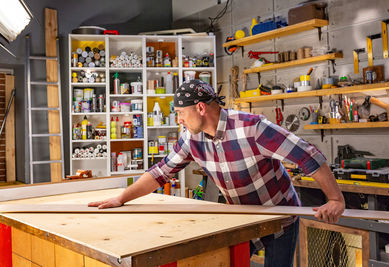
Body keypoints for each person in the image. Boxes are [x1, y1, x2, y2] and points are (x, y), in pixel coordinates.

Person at [89, 79, 345, 267]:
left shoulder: (252, 128)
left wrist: (335, 199)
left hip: (280, 215)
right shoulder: (191, 138)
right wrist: (121, 199)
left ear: (200, 108)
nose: (178, 120)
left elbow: (309, 156)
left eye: (180, 113)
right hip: (243, 217)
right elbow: (160, 172)